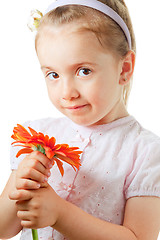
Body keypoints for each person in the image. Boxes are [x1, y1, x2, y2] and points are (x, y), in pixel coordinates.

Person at [0, 0, 160, 239]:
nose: (67, 92)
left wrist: (61, 215)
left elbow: (139, 237)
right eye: (53, 74)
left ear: (124, 68)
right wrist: (20, 184)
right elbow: (3, 229)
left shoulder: (144, 152)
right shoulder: (38, 137)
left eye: (83, 71)